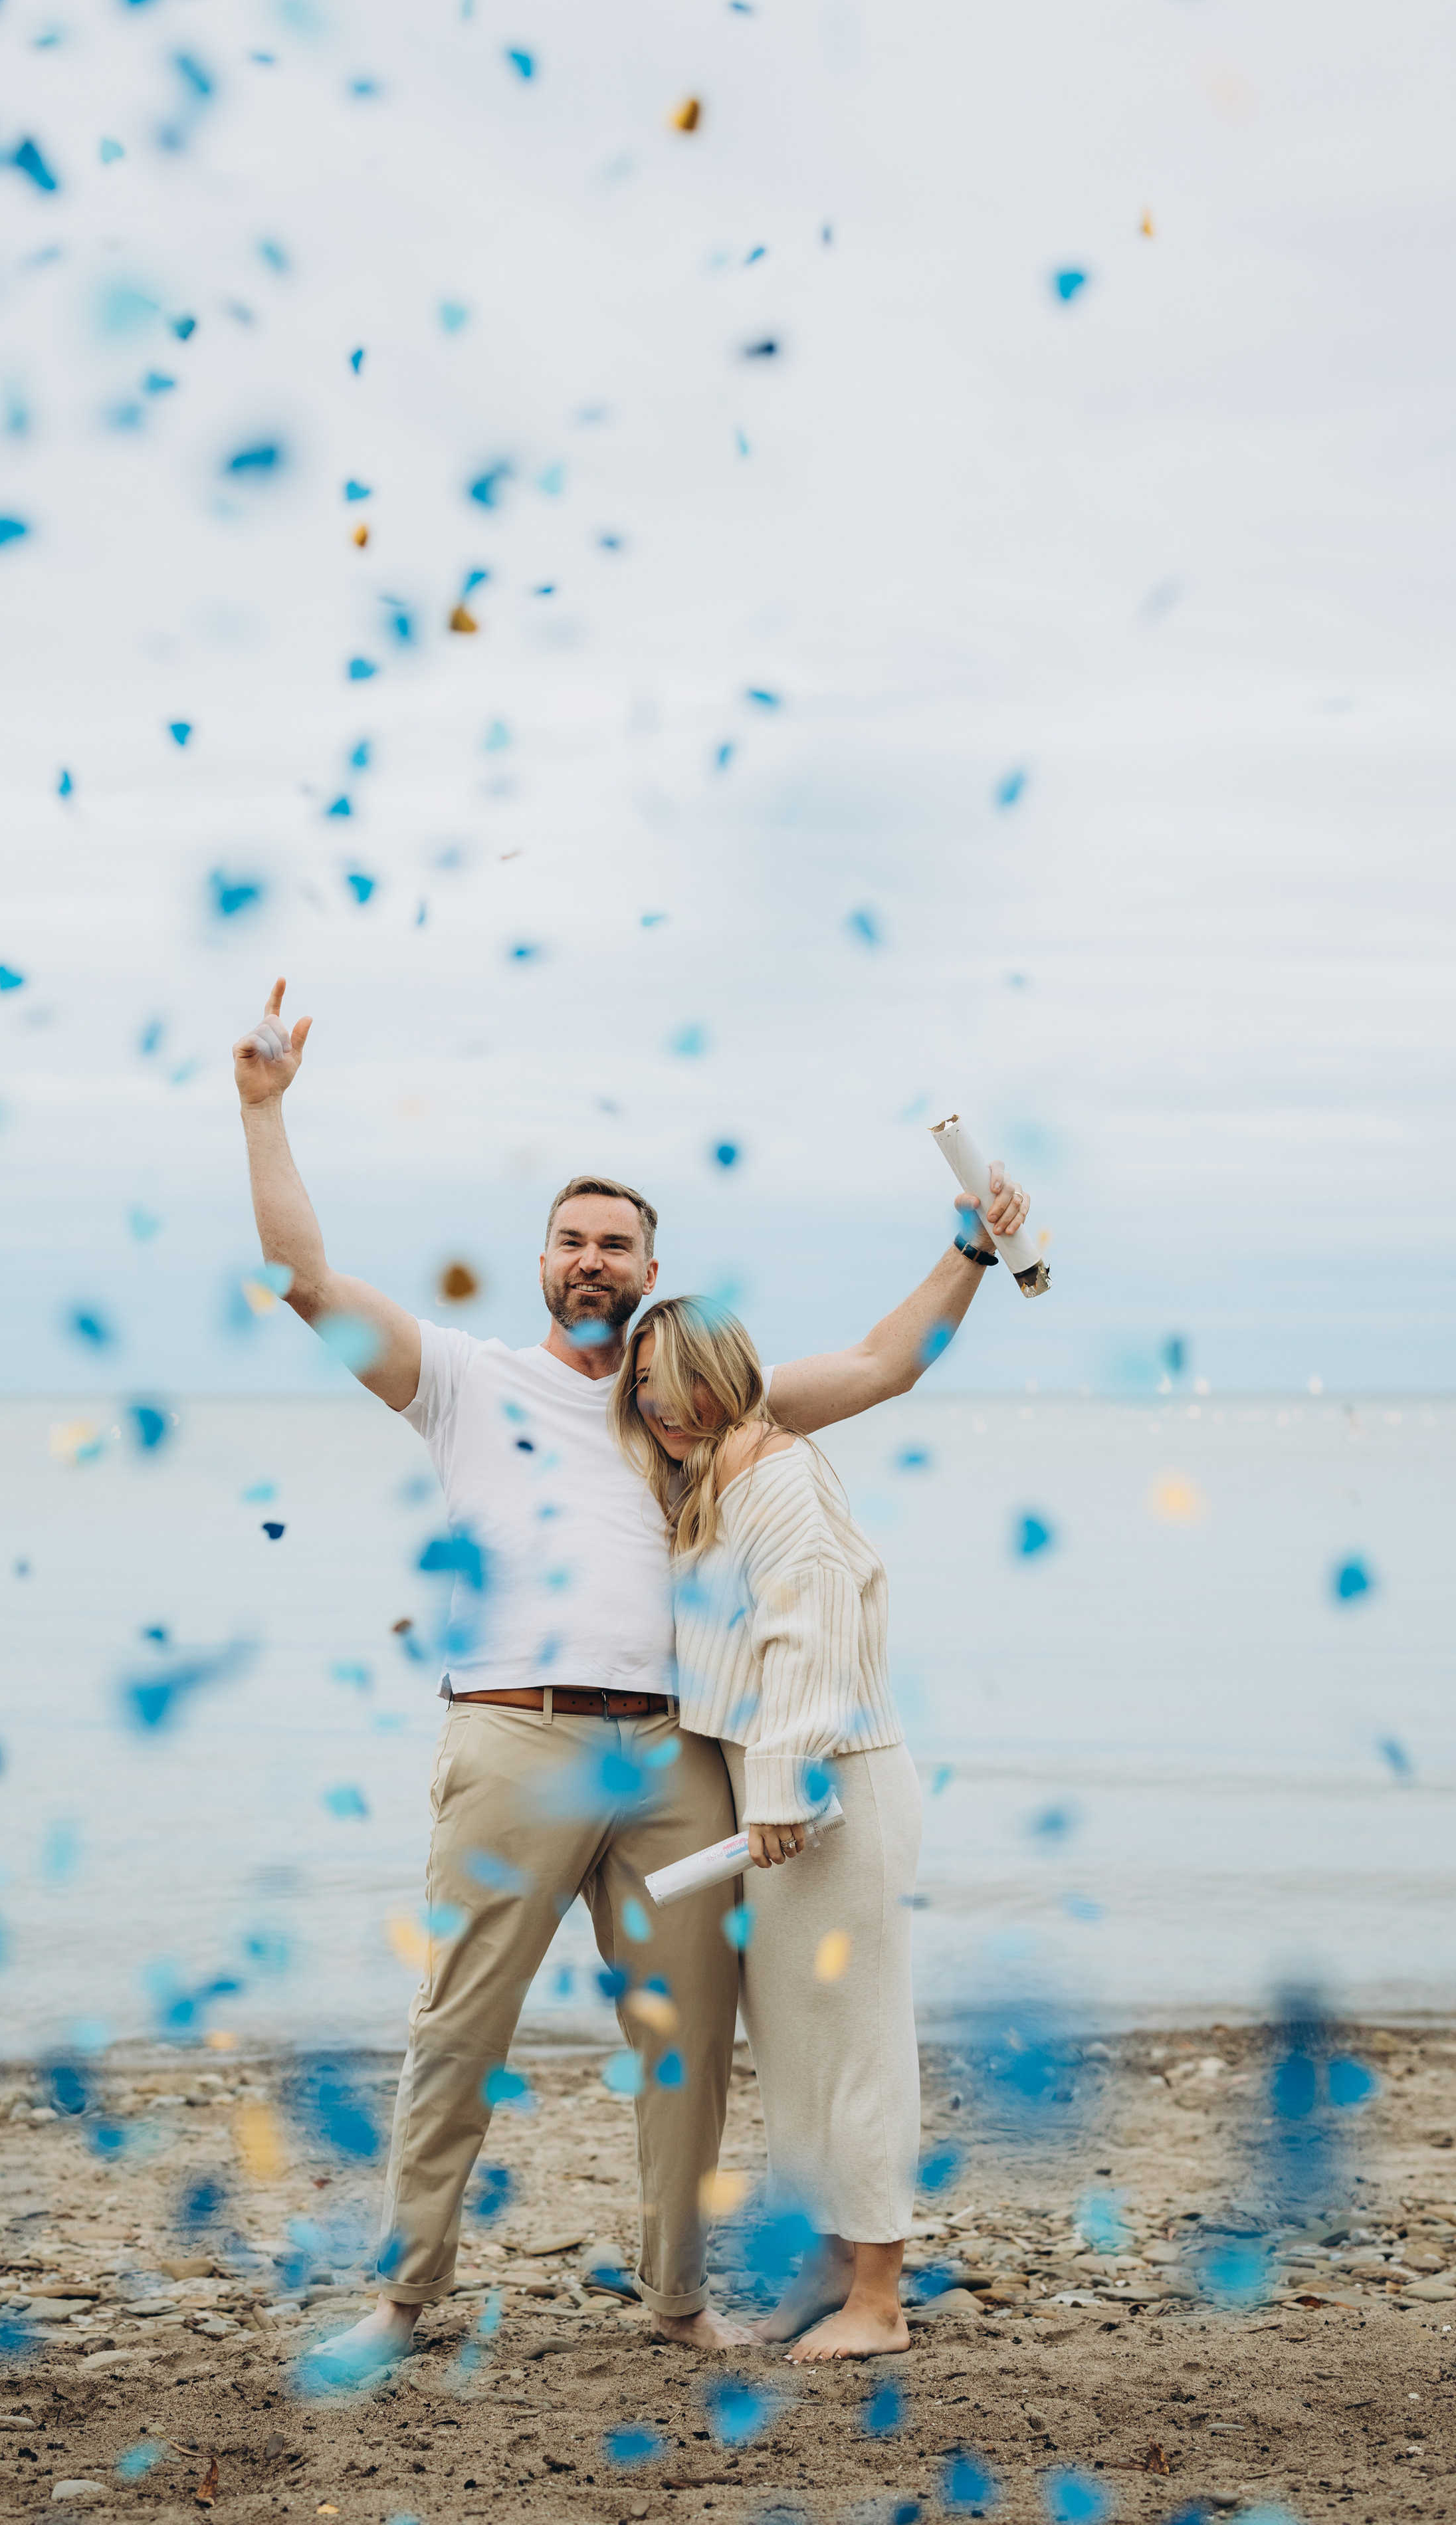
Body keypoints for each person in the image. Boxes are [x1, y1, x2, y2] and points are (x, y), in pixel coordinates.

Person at [232, 978, 1029, 2370]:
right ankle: (401, 2302)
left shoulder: (696, 1406)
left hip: (675, 1755)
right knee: (457, 2028)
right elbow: (306, 1280)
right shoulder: (462, 1379)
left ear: (650, 1269)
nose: (591, 1259)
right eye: (571, 1240)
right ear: (542, 1263)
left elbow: (881, 1363)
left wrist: (970, 1246)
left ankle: (677, 2302)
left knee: (689, 2042)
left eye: (616, 1243)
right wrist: (261, 1108)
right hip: (511, 1739)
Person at [611, 1295, 922, 2363]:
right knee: (794, 2050)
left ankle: (880, 2299)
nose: (658, 1403)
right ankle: (831, 2267)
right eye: (642, 1384)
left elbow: (811, 1630)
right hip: (773, 1790)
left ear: (726, 1374)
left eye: (677, 1380)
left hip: (832, 1788)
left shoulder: (778, 1470)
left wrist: (782, 1787)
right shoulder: (714, 1477)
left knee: (855, 2044)